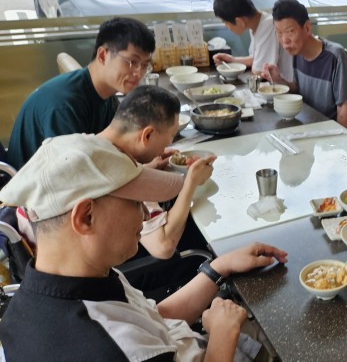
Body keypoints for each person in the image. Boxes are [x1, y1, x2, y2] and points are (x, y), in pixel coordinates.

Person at [0, 133, 289, 361]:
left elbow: (155, 319)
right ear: (86, 217)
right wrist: (223, 333)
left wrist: (218, 267)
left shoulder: (82, 276)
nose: (144, 214)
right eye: (135, 203)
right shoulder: (111, 349)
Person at [13, 86, 214, 263]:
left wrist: (147, 169)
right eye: (169, 139)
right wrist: (191, 182)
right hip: (88, 271)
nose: (167, 147)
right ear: (147, 135)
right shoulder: (114, 174)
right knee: (198, 242)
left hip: (38, 254)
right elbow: (163, 247)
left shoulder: (81, 145)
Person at [7, 17, 156, 169]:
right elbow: (71, 173)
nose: (139, 73)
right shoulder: (64, 106)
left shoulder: (106, 93)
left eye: (145, 65)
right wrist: (142, 171)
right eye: (132, 62)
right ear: (103, 55)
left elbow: (115, 147)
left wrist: (144, 165)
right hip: (35, 181)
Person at [262, 0, 347, 132]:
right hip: (308, 125)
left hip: (329, 132)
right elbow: (297, 91)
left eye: (290, 31)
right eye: (279, 33)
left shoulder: (335, 56)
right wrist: (278, 80)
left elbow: (343, 110)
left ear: (307, 28)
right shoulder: (296, 53)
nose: (284, 40)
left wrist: (337, 140)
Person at [211, 0, 294, 83]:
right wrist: (231, 60)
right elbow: (256, 59)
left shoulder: (268, 26)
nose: (226, 26)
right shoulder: (257, 24)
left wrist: (233, 69)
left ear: (239, 21)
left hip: (287, 86)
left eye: (225, 22)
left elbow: (260, 71)